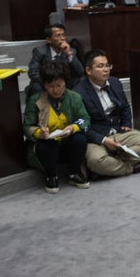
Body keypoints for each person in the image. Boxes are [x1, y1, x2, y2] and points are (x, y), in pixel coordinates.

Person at [73, 49, 140, 178]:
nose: (106, 69)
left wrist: (126, 123)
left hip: (117, 132)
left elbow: (125, 107)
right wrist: (103, 140)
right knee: (96, 160)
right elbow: (82, 125)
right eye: (100, 66)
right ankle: (132, 168)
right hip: (96, 137)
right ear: (88, 70)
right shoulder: (78, 93)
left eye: (107, 65)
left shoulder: (115, 82)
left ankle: (110, 167)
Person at [22, 59, 90, 193]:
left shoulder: (74, 97)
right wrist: (38, 132)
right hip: (47, 145)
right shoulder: (35, 100)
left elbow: (85, 119)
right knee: (45, 144)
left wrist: (72, 128)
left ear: (65, 82)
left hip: (67, 141)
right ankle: (51, 176)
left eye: (59, 85)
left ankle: (74, 173)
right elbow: (26, 127)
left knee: (80, 139)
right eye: (50, 86)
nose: (55, 90)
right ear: (45, 85)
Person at [25, 23, 84, 98]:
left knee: (81, 81)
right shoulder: (40, 51)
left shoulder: (70, 51)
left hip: (64, 83)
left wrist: (69, 54)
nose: (62, 38)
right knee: (36, 86)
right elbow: (33, 72)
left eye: (63, 35)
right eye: (58, 35)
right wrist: (51, 83)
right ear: (49, 40)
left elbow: (80, 72)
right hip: (46, 83)